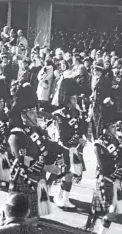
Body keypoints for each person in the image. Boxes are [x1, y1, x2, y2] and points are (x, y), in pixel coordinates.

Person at [8, 84, 64, 221]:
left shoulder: (37, 131)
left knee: (34, 217)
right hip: (24, 179)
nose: (35, 116)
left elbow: (48, 147)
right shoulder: (17, 135)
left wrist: (60, 154)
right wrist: (47, 167)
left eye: (35, 112)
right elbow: (25, 162)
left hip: (38, 179)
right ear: (23, 115)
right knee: (17, 218)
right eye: (32, 113)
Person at [52, 78, 87, 210]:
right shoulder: (61, 115)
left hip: (74, 149)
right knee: (68, 173)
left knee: (70, 174)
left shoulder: (77, 112)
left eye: (75, 99)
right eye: (72, 99)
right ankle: (64, 199)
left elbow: (81, 128)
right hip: (65, 148)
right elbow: (63, 136)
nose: (75, 101)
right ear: (67, 99)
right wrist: (78, 139)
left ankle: (60, 196)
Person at [90, 60, 114, 139]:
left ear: (101, 71)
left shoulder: (106, 80)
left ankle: (100, 140)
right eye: (95, 70)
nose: (96, 72)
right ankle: (95, 139)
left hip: (102, 105)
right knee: (93, 123)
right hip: (94, 104)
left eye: (97, 71)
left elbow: (108, 93)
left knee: (100, 124)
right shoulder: (94, 79)